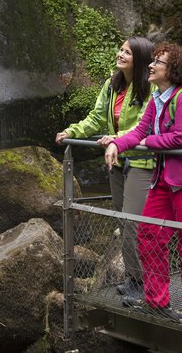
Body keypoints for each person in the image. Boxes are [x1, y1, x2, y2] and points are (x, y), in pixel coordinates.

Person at [100, 42, 182, 324]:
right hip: (164, 179)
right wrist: (117, 143)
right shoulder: (157, 98)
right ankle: (156, 300)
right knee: (149, 234)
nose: (150, 66)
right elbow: (139, 130)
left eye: (158, 63)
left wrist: (147, 142)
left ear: (172, 70)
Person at [56, 36, 155, 297]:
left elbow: (145, 123)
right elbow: (97, 117)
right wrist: (72, 131)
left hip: (142, 161)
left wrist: (118, 139)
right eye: (121, 50)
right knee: (123, 222)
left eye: (127, 53)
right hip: (117, 161)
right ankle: (135, 280)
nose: (120, 55)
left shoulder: (150, 87)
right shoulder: (113, 84)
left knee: (134, 224)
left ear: (141, 59)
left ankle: (147, 283)